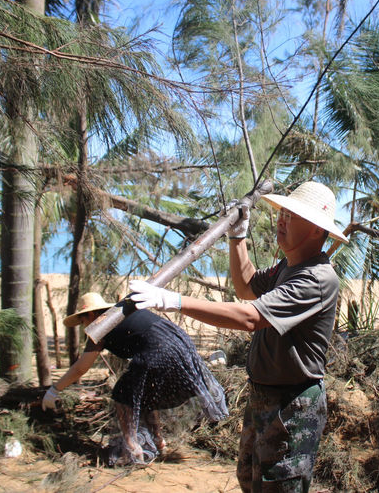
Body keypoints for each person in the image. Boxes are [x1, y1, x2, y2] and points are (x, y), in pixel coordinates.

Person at [127, 181, 348, 492]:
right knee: (250, 480)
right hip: (262, 396)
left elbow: (250, 317)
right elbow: (245, 286)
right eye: (282, 212)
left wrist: (173, 301)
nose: (281, 220)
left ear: (315, 230)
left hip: (292, 405)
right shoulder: (287, 267)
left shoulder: (316, 278)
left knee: (279, 487)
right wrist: (238, 237)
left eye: (291, 215)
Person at [41, 291, 228, 465]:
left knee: (122, 394)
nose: (84, 327)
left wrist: (54, 389)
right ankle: (159, 441)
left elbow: (80, 368)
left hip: (159, 349)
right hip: (182, 344)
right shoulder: (125, 310)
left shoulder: (101, 324)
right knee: (145, 393)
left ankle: (132, 447)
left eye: (82, 321)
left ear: (90, 315)